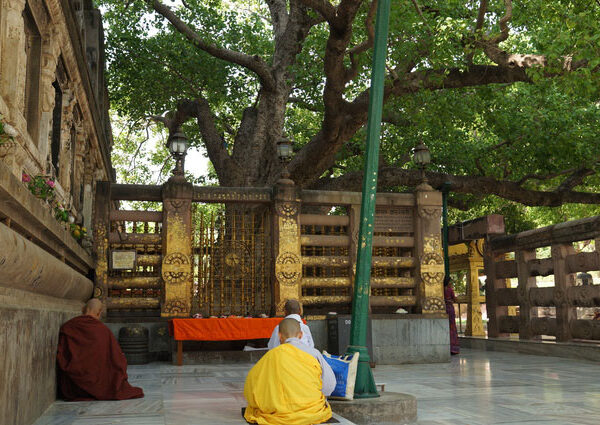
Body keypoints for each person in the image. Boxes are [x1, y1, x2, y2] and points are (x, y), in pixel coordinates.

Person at [244, 318, 336, 425]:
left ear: (279, 335)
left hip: (277, 413)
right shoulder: (314, 354)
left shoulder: (271, 356)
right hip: (311, 412)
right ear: (301, 335)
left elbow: (250, 387)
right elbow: (330, 385)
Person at [57, 299, 144, 401]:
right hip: (100, 385)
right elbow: (117, 360)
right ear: (99, 312)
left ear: (82, 309)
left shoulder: (68, 327)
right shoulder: (103, 331)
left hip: (75, 387)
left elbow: (63, 356)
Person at [444, 276, 460, 355]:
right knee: (452, 327)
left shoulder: (442, 290)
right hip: (450, 308)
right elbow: (455, 299)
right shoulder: (450, 290)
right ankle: (453, 348)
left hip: (444, 309)